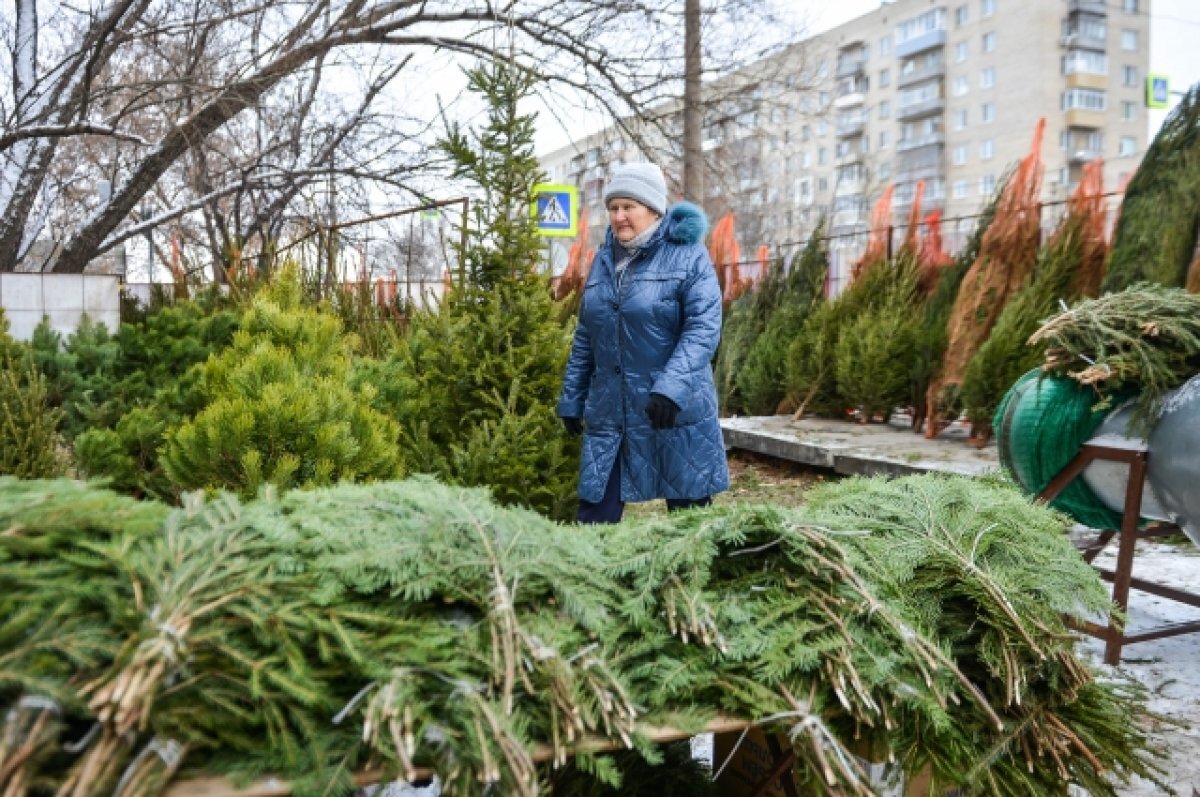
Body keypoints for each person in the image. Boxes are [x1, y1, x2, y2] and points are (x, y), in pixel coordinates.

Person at [557, 162, 729, 523]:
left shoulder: (688, 255)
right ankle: (592, 576)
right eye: (613, 208)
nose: (619, 216)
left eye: (628, 207)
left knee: (689, 520)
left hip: (672, 407)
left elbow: (703, 327)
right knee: (595, 514)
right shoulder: (604, 259)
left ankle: (690, 579)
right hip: (611, 410)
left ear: (653, 209)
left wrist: (670, 389)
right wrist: (572, 396)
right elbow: (588, 332)